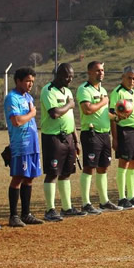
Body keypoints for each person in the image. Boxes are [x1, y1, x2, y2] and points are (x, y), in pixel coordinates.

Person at [40, 63, 83, 221]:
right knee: (52, 173)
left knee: (66, 173)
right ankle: (50, 209)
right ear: (58, 75)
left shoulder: (68, 91)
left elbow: (70, 118)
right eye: (67, 76)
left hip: (68, 138)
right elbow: (54, 113)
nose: (70, 79)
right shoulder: (48, 90)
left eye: (72, 76)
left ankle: (67, 207)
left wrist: (76, 141)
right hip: (53, 137)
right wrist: (70, 104)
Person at [77, 61, 121, 212]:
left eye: (102, 70)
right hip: (91, 133)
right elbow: (87, 110)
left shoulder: (102, 90)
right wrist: (103, 102)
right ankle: (85, 204)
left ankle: (104, 201)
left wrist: (117, 117)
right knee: (89, 167)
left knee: (103, 167)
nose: (101, 73)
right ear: (89, 72)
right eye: (97, 70)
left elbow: (104, 113)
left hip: (104, 134)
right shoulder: (84, 89)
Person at [3, 68, 44, 227]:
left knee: (29, 177)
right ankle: (13, 216)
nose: (30, 84)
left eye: (32, 81)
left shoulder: (28, 97)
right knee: (18, 177)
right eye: (27, 81)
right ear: (18, 81)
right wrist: (32, 113)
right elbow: (16, 121)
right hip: (21, 145)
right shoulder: (11, 98)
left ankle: (26, 214)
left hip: (33, 144)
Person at [110, 66, 134, 208]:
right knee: (124, 163)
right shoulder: (117, 92)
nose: (131, 81)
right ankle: (122, 198)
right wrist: (115, 138)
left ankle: (131, 196)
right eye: (129, 78)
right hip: (124, 131)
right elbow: (112, 116)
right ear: (123, 77)